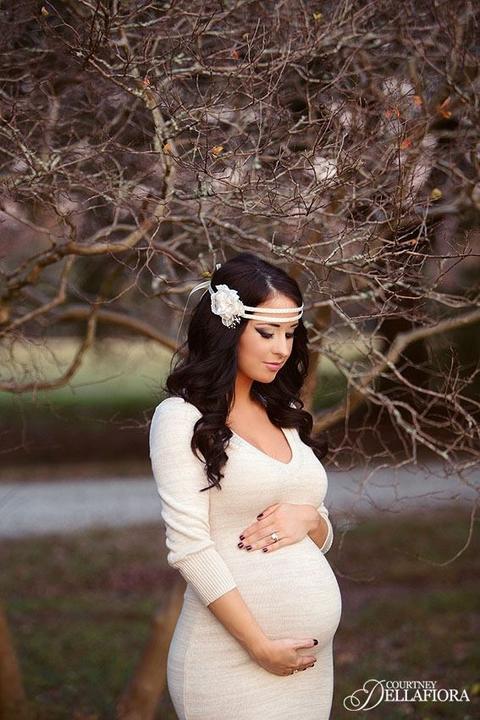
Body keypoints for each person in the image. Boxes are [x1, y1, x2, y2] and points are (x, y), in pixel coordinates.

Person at [149, 251, 342, 720]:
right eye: (267, 332)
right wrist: (259, 646)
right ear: (228, 330)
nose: (282, 349)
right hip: (230, 661)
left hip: (308, 668)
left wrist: (310, 519)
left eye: (290, 334)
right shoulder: (181, 419)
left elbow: (319, 533)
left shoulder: (284, 414)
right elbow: (189, 548)